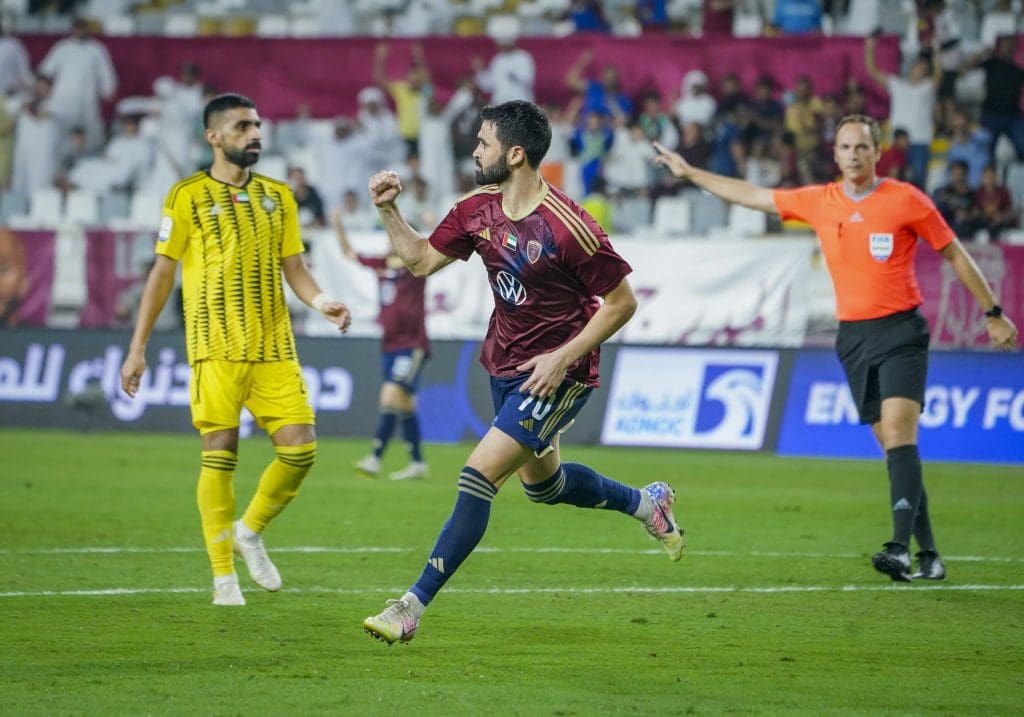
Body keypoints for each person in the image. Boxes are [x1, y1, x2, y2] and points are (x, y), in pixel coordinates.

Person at [362, 100, 684, 645]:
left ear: (514, 154)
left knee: (478, 475)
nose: (474, 151)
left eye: (483, 142)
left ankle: (409, 607)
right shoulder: (475, 209)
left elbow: (621, 303)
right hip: (505, 363)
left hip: (559, 373)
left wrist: (562, 357)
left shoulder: (570, 227)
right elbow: (419, 260)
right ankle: (646, 503)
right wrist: (389, 210)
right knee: (545, 486)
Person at [652, 113, 1018, 583]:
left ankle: (899, 549)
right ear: (836, 153)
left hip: (901, 332)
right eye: (845, 147)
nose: (853, 155)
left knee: (900, 436)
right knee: (893, 448)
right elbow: (753, 196)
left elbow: (954, 253)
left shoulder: (906, 199)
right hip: (854, 339)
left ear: (877, 152)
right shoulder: (820, 201)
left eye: (862, 147)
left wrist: (992, 311)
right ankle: (929, 555)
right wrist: (690, 173)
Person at [119, 93, 352, 607]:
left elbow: (295, 268)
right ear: (213, 136)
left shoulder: (279, 196)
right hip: (215, 347)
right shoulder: (186, 196)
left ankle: (249, 530)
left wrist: (323, 302)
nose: (255, 134)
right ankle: (223, 577)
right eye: (242, 126)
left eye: (257, 125)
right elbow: (162, 273)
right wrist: (137, 348)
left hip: (274, 348)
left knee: (301, 450)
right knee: (219, 455)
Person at [332, 210, 430, 482]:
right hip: (389, 346)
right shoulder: (380, 263)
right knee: (405, 405)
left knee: (389, 396)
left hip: (412, 345)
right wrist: (338, 225)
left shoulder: (417, 265)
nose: (392, 239)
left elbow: (439, 249)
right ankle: (417, 463)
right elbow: (348, 253)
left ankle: (374, 458)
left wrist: (431, 224)